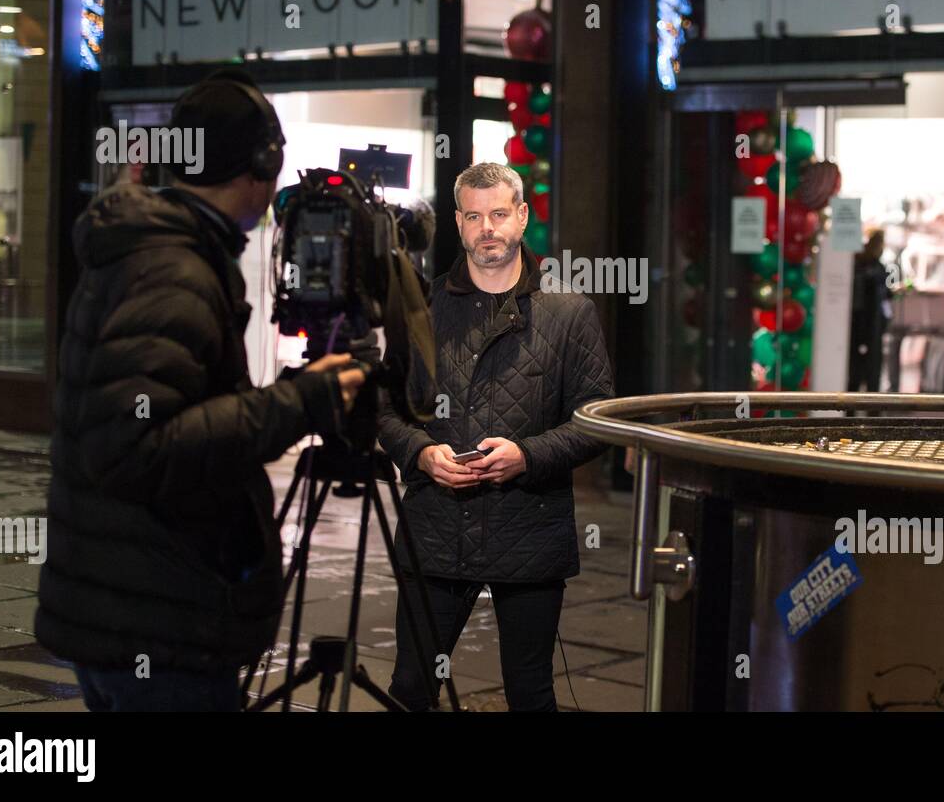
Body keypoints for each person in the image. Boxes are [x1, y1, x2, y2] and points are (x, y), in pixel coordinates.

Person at [36, 69, 366, 711]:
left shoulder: (156, 249)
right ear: (261, 167)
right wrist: (301, 403)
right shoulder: (174, 270)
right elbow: (139, 446)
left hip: (129, 610)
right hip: (158, 627)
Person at [379, 162, 614, 712]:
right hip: (437, 525)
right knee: (411, 689)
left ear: (522, 217)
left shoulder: (569, 312)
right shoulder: (424, 311)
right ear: (459, 223)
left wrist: (527, 456)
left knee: (530, 694)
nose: (488, 228)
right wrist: (420, 452)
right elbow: (384, 409)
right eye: (474, 216)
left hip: (529, 528)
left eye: (500, 214)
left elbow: (595, 420)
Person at [848, 229, 892, 393]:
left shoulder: (858, 264)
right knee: (870, 374)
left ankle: (850, 412)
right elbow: (883, 299)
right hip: (870, 327)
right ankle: (872, 413)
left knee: (855, 374)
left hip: (860, 326)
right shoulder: (876, 269)